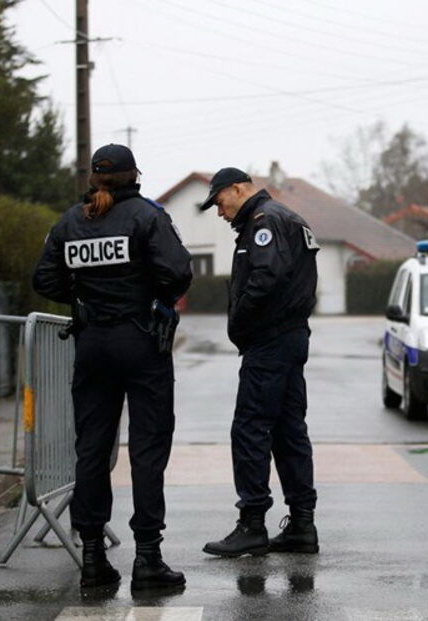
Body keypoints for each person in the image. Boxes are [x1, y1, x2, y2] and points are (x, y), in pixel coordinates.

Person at [32, 144, 192, 590]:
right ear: (132, 175)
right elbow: (178, 272)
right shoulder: (147, 216)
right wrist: (145, 292)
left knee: (92, 450)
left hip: (93, 345)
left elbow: (44, 279)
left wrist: (83, 299)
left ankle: (92, 560)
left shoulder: (70, 221)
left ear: (95, 178)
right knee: (147, 450)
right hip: (141, 341)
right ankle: (147, 559)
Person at [198, 167, 320, 558]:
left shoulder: (264, 222)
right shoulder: (288, 217)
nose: (219, 212)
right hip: (290, 337)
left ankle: (252, 523)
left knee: (250, 429)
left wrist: (240, 323)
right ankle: (302, 524)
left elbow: (265, 279)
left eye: (219, 202)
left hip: (269, 340)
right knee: (288, 431)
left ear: (237, 189)